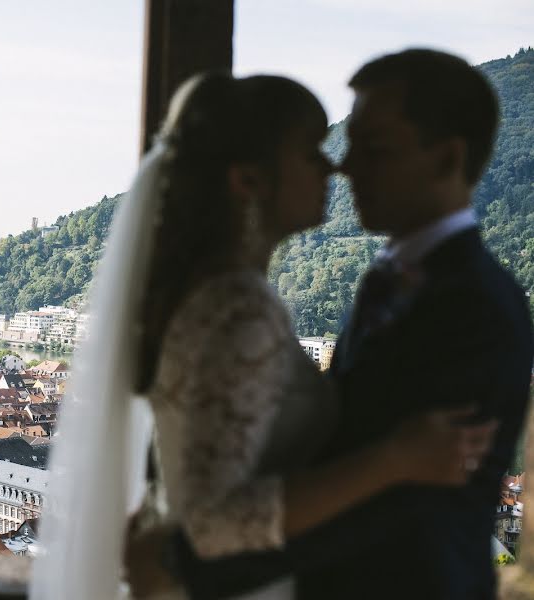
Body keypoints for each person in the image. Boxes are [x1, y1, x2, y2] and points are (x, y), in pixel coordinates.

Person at [30, 71, 497, 600]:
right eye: (310, 150)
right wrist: (393, 459)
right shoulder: (236, 308)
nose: (332, 165)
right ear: (248, 181)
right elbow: (211, 519)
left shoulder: (218, 295)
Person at [171, 50, 534, 600]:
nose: (344, 166)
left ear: (447, 159)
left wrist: (183, 559)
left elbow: (401, 507)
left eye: (373, 148)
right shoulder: (384, 281)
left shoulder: (479, 306)